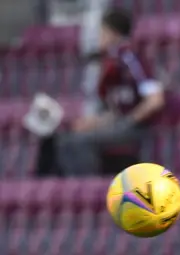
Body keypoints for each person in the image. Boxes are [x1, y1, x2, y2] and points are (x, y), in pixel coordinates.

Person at [36, 7, 165, 177]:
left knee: (76, 143)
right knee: (63, 137)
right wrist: (94, 123)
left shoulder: (131, 58)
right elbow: (117, 111)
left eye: (101, 32)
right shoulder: (112, 62)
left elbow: (155, 101)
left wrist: (127, 122)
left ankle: (88, 189)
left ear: (111, 33)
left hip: (137, 129)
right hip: (121, 125)